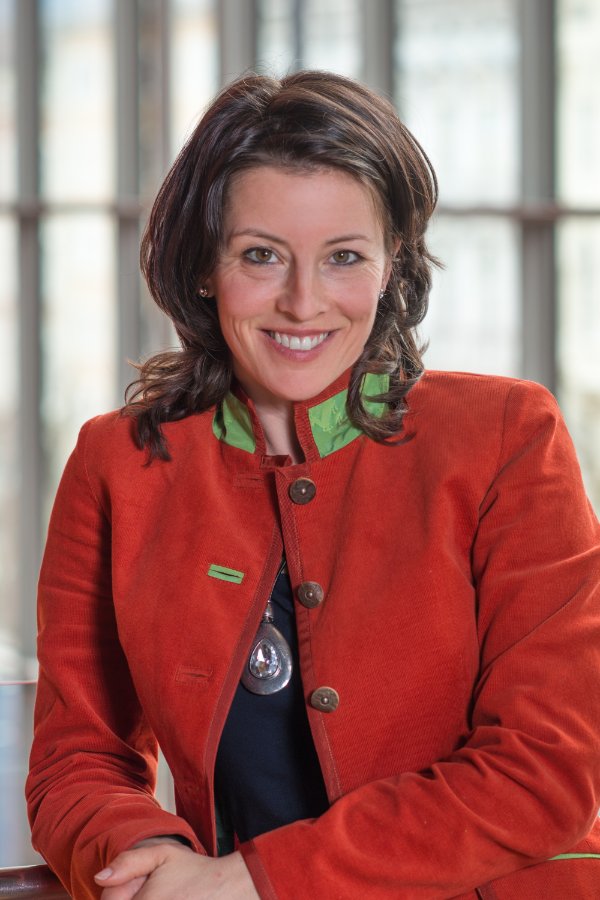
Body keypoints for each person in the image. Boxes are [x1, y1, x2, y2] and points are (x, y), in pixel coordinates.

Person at [26, 70, 600, 900]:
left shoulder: (509, 437)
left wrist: (250, 883)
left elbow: (545, 772)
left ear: (391, 265)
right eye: (261, 255)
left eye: (344, 258)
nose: (303, 303)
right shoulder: (117, 463)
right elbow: (77, 757)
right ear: (204, 266)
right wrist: (145, 858)